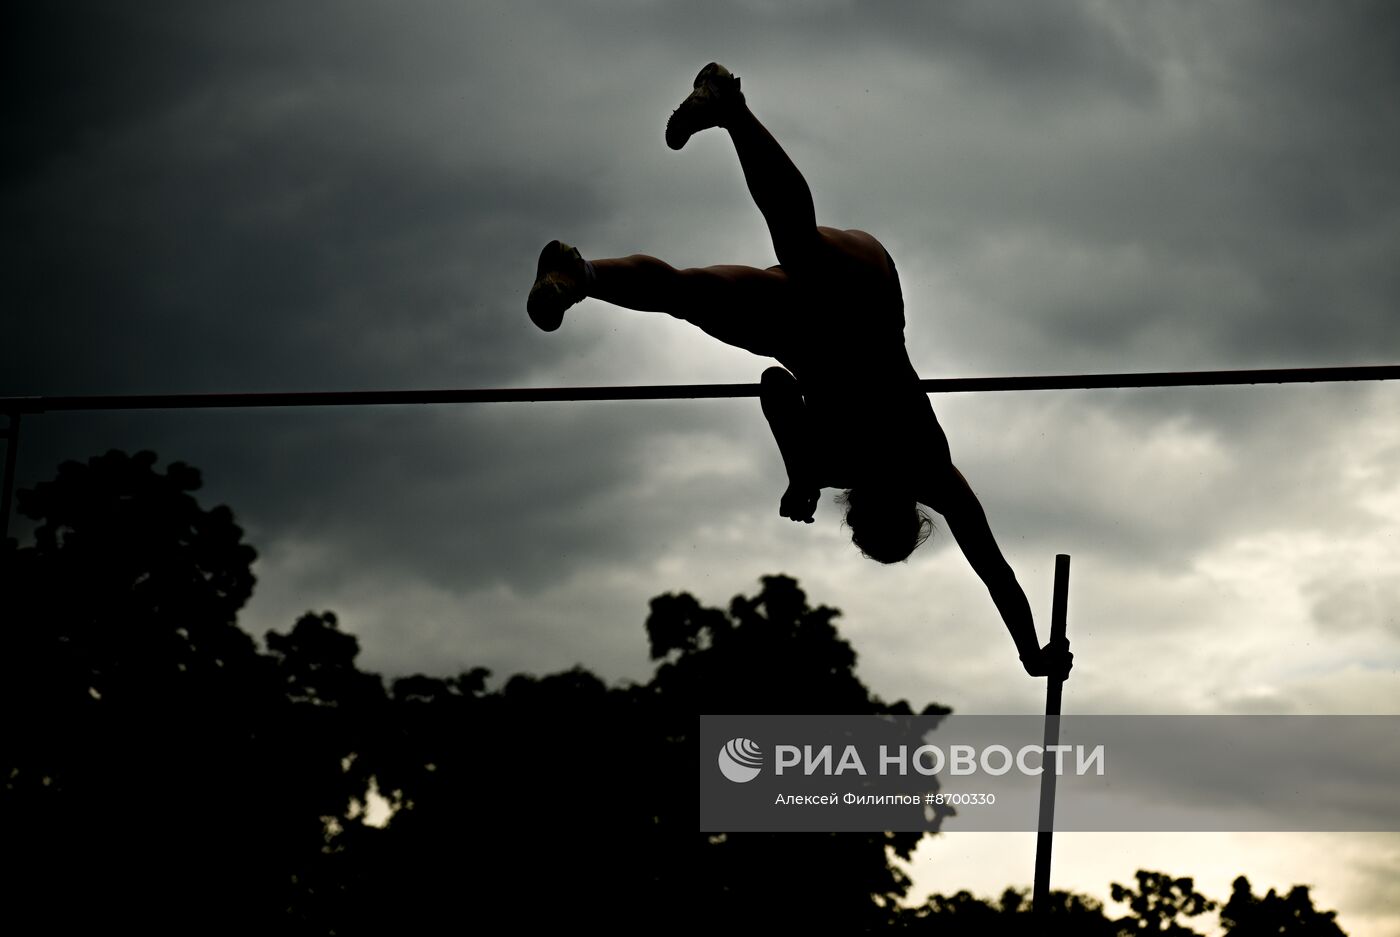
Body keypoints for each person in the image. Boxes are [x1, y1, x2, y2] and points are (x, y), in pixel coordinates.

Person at [527, 64, 1070, 680]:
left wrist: (802, 471)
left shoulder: (865, 469)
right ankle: (730, 108)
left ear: (871, 511)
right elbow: (992, 569)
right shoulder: (925, 473)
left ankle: (580, 274)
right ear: (900, 515)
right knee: (793, 244)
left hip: (806, 331)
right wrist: (1030, 652)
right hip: (863, 302)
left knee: (692, 296)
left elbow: (775, 386)